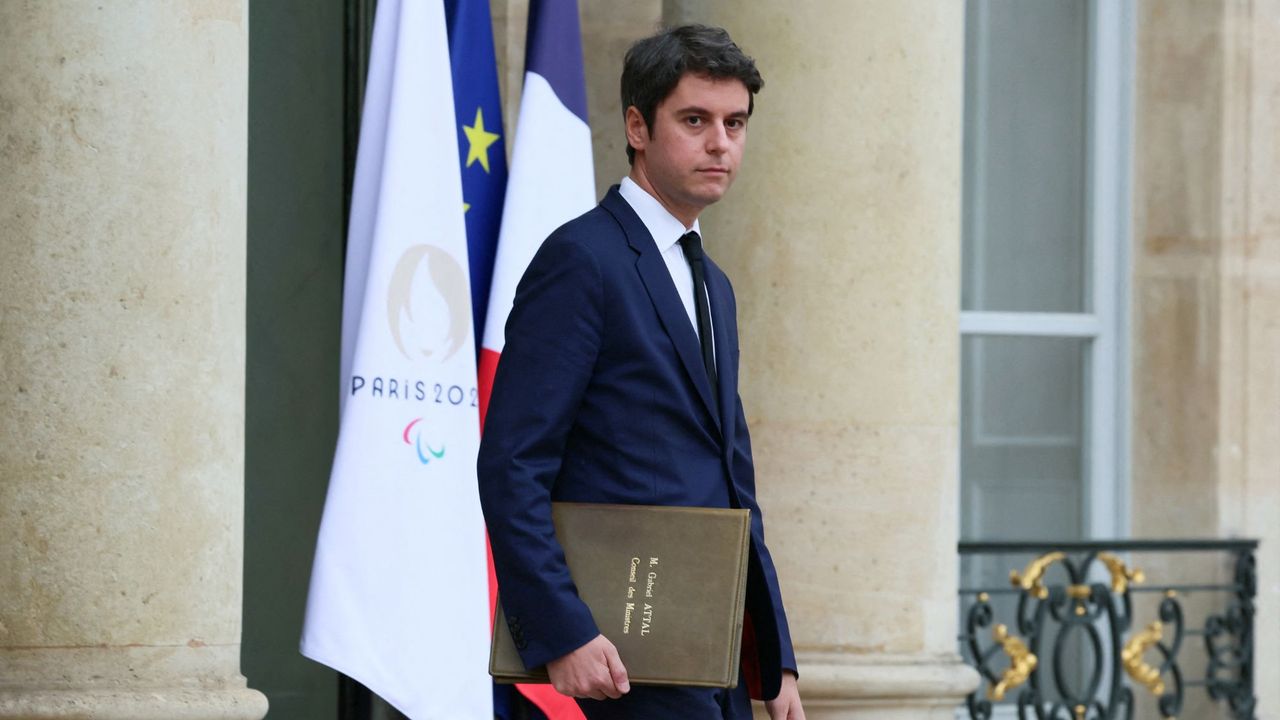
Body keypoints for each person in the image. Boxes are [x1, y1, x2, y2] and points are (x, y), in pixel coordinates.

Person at [478, 24, 805, 720]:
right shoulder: (582, 261)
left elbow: (731, 479)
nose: (720, 143)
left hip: (712, 656)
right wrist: (564, 631)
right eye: (695, 120)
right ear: (637, 125)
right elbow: (512, 462)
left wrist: (772, 662)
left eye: (734, 123)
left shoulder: (713, 283)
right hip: (619, 655)